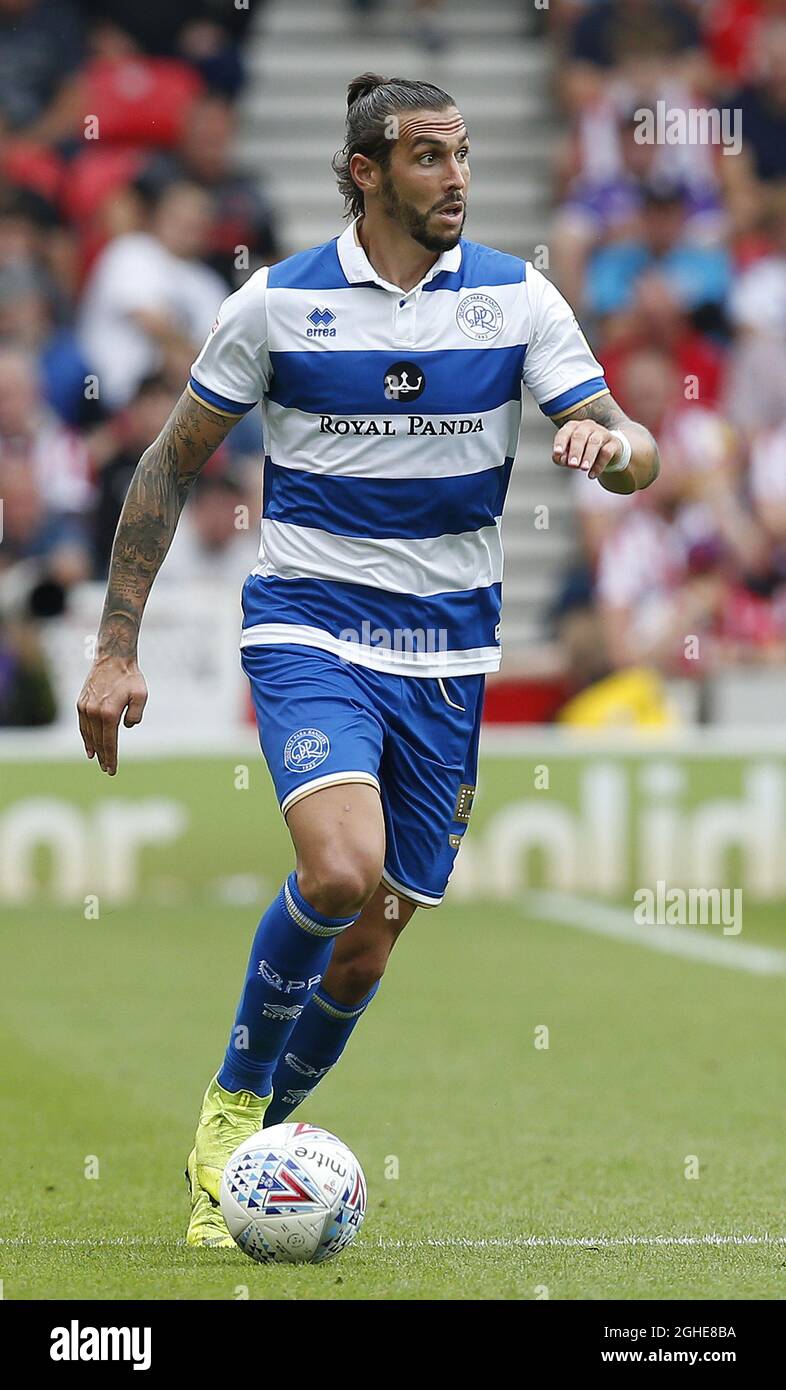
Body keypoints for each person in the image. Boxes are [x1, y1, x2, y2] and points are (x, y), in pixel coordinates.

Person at [76, 73, 660, 1247]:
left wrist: (613, 446)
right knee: (341, 871)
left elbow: (637, 446)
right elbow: (168, 464)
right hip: (311, 628)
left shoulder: (515, 297)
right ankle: (230, 1115)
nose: (457, 177)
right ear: (366, 171)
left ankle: (243, 1167)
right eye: (431, 156)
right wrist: (115, 646)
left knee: (366, 945)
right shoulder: (278, 306)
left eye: (462, 154)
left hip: (448, 654)